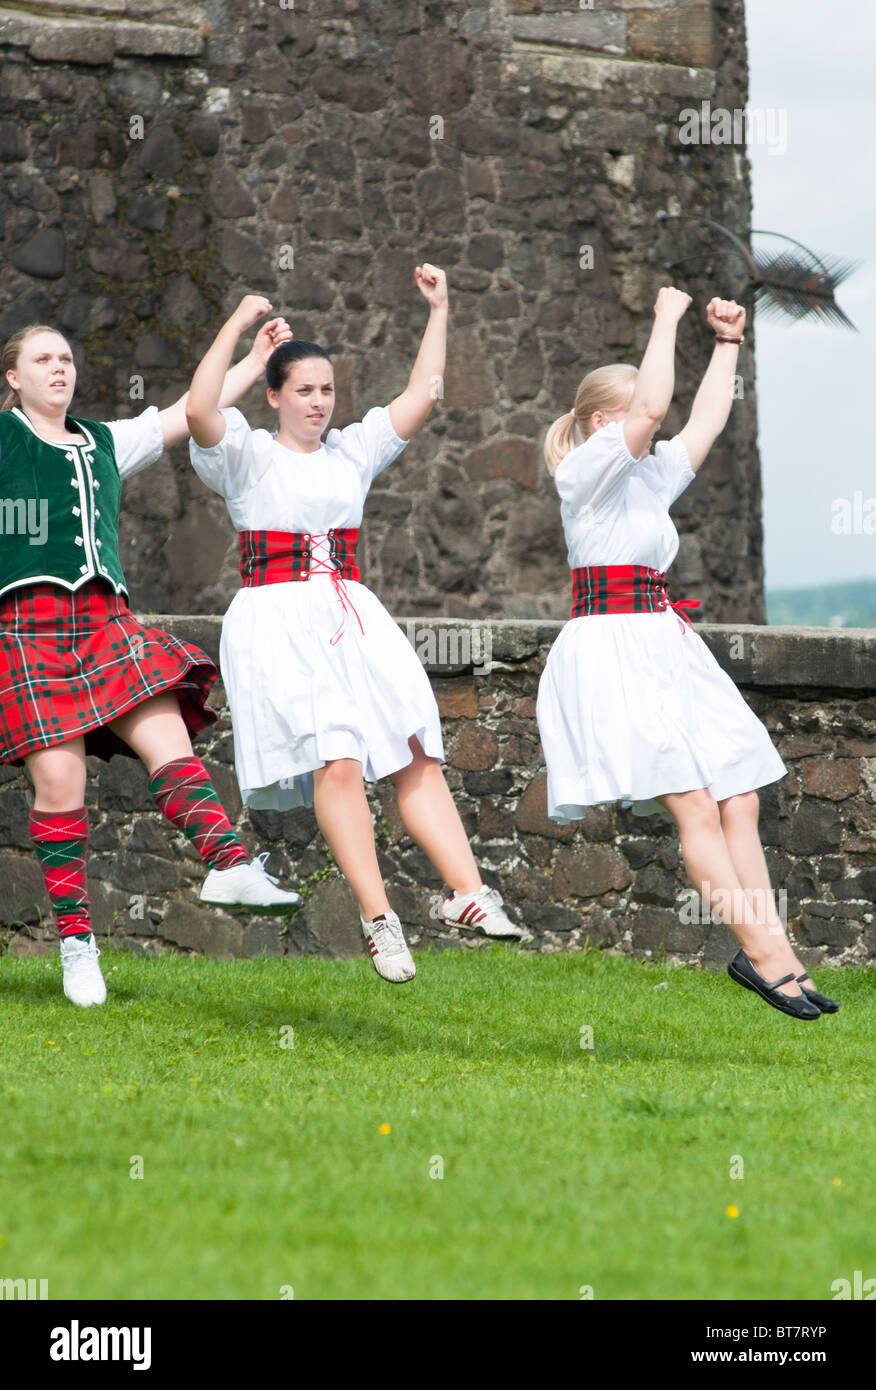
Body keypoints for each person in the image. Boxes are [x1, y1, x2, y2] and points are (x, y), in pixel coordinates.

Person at [185, 272, 526, 984]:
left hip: (351, 616)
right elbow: (198, 407)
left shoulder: (351, 452)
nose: (318, 402)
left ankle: (466, 893)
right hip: (278, 620)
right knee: (337, 759)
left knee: (410, 746)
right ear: (274, 396)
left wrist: (440, 309)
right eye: (304, 390)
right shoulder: (247, 456)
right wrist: (242, 330)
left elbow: (422, 395)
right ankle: (379, 920)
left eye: (326, 390)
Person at [536, 287, 838, 1021]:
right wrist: (667, 320)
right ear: (604, 422)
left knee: (740, 795)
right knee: (696, 806)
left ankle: (777, 955)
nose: (654, 415)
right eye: (639, 407)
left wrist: (729, 342)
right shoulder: (586, 478)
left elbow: (702, 419)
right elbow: (650, 411)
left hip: (667, 645)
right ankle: (766, 957)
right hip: (612, 652)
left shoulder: (646, 477)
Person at [0, 316, 302, 1008]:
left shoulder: (105, 441)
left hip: (106, 623)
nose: (59, 367)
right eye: (42, 359)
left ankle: (227, 864)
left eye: (67, 358)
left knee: (168, 736)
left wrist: (255, 360)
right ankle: (77, 945)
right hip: (28, 628)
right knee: (59, 782)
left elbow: (186, 414)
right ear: (14, 378)